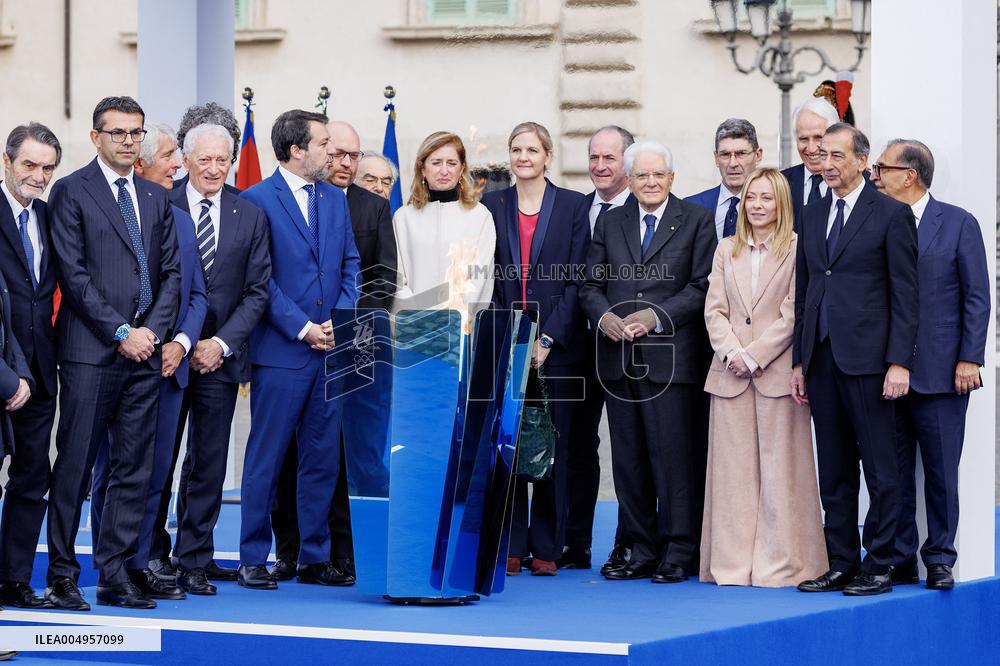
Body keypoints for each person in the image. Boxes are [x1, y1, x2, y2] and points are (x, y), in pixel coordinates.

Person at [46, 96, 181, 610]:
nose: (129, 141)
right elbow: (73, 276)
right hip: (91, 352)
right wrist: (122, 331)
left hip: (144, 354)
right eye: (118, 132)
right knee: (76, 468)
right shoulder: (71, 191)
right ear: (95, 137)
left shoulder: (154, 196)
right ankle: (62, 574)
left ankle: (115, 572)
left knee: (132, 469)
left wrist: (150, 331)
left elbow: (172, 275)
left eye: (135, 133)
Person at [579, 140, 716, 583]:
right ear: (630, 180)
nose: (651, 182)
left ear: (671, 179)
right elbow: (589, 284)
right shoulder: (611, 221)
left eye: (659, 175)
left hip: (671, 362)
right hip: (618, 360)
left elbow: (701, 287)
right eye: (642, 175)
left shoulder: (696, 220)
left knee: (674, 457)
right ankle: (640, 547)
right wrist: (604, 318)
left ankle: (680, 548)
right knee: (629, 459)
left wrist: (655, 316)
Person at [793, 124, 919, 597]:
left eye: (837, 156)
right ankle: (841, 563)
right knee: (836, 471)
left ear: (863, 162)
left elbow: (906, 296)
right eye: (822, 155)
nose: (826, 164)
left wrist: (899, 362)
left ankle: (880, 563)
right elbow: (807, 288)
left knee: (882, 470)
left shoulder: (890, 214)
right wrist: (799, 361)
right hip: (821, 361)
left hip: (871, 363)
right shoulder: (812, 211)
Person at [271, 120, 397, 583]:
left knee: (347, 450)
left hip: (354, 341)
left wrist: (344, 325)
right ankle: (290, 548)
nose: (343, 163)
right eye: (337, 153)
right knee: (290, 451)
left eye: (352, 156)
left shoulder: (371, 206)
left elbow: (382, 278)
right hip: (294, 340)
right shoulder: (290, 199)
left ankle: (341, 549)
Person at [238, 110, 360, 590]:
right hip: (282, 353)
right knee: (266, 458)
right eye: (324, 142)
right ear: (296, 150)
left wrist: (340, 318)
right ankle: (252, 557)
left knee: (321, 458)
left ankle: (314, 556)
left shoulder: (335, 200)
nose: (331, 151)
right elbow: (258, 279)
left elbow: (350, 264)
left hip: (330, 351)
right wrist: (303, 326)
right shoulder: (255, 201)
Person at [89, 121, 207, 601]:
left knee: (151, 475)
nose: (178, 165)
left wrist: (175, 342)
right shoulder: (102, 207)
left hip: (164, 367)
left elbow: (192, 291)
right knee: (110, 473)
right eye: (170, 157)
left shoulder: (177, 215)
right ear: (140, 164)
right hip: (111, 361)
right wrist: (131, 339)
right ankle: (110, 564)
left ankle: (137, 564)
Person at [871, 139, 990, 591]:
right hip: (889, 373)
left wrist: (969, 358)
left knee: (941, 474)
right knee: (893, 473)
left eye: (883, 167)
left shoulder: (958, 223)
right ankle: (900, 558)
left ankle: (939, 558)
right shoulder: (878, 221)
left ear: (911, 175)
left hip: (944, 375)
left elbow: (977, 296)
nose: (876, 175)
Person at [700, 167, 827, 587]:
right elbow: (713, 310)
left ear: (782, 204)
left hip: (777, 376)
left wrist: (754, 356)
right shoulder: (725, 250)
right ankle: (732, 565)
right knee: (732, 477)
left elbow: (795, 311)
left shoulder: (797, 248)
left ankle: (783, 564)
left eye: (766, 198)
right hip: (729, 376)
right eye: (751, 198)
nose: (757, 205)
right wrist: (733, 352)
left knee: (782, 474)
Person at [157, 123, 270, 594]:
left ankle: (195, 558)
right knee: (158, 458)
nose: (214, 168)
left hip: (220, 359)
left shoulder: (250, 212)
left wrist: (219, 344)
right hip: (165, 357)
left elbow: (257, 290)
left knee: (209, 462)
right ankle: (149, 554)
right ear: (186, 160)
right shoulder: (161, 205)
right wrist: (181, 341)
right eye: (204, 159)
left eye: (222, 160)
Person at [481, 122, 589, 576]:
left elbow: (579, 278)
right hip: (507, 342)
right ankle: (511, 544)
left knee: (552, 445)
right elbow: (485, 275)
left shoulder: (572, 205)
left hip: (556, 347)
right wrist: (510, 338)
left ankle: (547, 546)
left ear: (547, 155)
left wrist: (548, 339)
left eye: (532, 149)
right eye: (516, 149)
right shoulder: (492, 204)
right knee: (508, 443)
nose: (523, 156)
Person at [561, 125, 635, 574]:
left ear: (628, 161)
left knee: (629, 449)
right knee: (574, 446)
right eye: (594, 157)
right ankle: (574, 544)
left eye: (610, 157)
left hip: (627, 347)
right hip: (576, 346)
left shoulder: (649, 207)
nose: (601, 166)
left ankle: (630, 545)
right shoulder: (576, 209)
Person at [0, 123, 60, 609]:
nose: (38, 176)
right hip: (1, 371)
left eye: (47, 168)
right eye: (29, 165)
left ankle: (15, 579)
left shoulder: (49, 215)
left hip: (41, 371)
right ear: (7, 161)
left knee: (31, 478)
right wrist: (6, 375)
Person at [392, 131, 495, 319]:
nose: (444, 171)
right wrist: (419, 320)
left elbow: (480, 278)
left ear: (462, 169)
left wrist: (454, 320)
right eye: (436, 162)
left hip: (461, 327)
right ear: (423, 169)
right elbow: (397, 278)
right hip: (413, 328)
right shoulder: (403, 218)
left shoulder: (479, 216)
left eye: (452, 163)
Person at [685, 118, 764, 240]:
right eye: (725, 155)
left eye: (741, 154)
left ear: (757, 156)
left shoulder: (775, 206)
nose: (733, 163)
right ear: (716, 158)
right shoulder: (690, 207)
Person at [780, 99, 840, 229]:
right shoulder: (780, 183)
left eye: (819, 137)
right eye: (803, 139)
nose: (811, 148)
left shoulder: (858, 182)